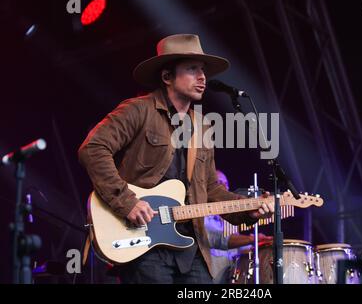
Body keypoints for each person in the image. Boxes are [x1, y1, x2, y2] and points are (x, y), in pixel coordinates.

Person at [78, 34, 274, 284]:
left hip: (192, 248)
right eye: (192, 69)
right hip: (145, 244)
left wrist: (250, 209)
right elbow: (93, 148)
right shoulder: (138, 110)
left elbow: (211, 189)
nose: (202, 77)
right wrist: (127, 202)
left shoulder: (202, 126)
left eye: (203, 70)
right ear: (167, 76)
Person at [205, 170, 273, 283]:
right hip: (211, 276)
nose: (223, 186)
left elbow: (238, 250)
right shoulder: (202, 215)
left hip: (231, 276)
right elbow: (217, 239)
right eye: (219, 182)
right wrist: (252, 239)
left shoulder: (230, 217)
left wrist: (260, 245)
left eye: (225, 183)